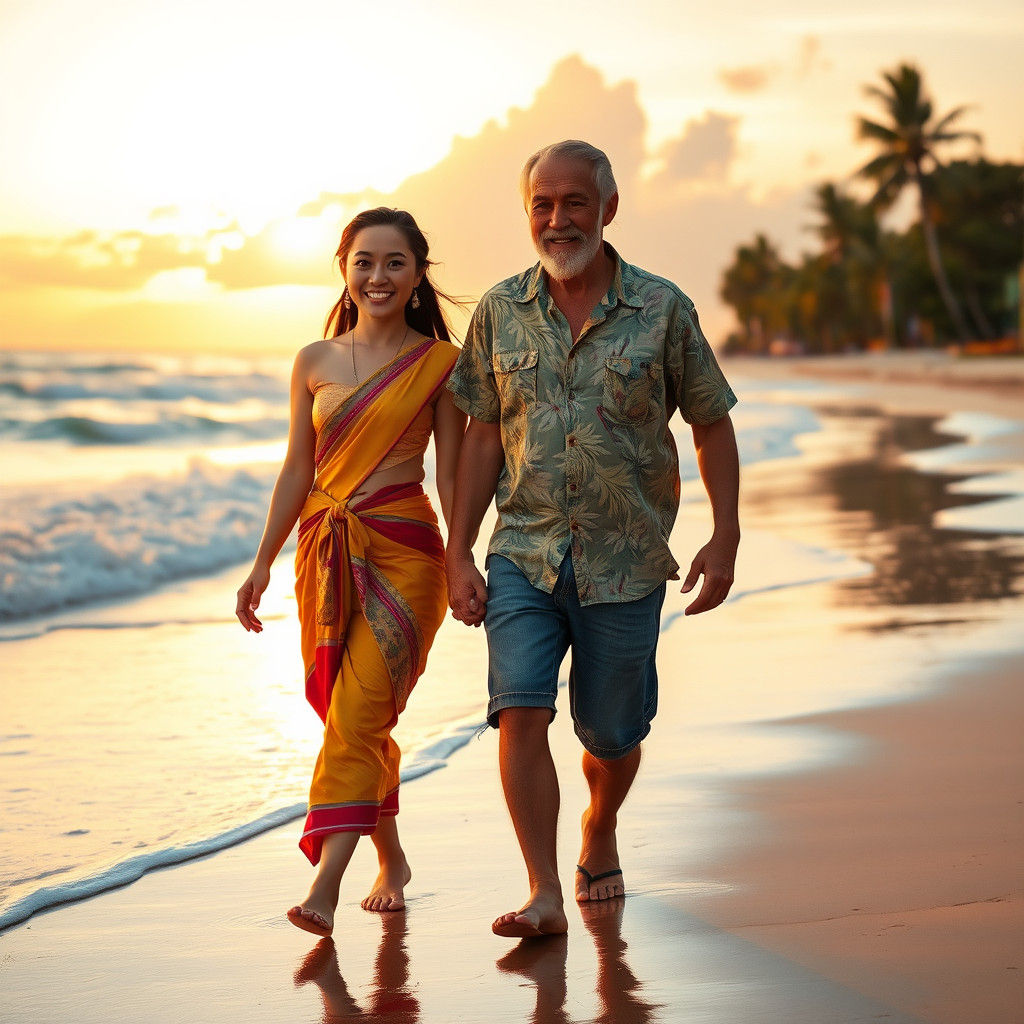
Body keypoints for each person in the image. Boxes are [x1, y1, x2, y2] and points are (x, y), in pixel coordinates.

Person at [444, 140, 740, 939]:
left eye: (575, 201)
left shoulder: (662, 307)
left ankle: (600, 825)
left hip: (627, 559)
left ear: (608, 208)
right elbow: (476, 434)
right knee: (519, 709)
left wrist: (725, 537)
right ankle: (543, 890)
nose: (557, 218)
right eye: (542, 203)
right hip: (523, 553)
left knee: (612, 733)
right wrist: (458, 550)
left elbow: (710, 423)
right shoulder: (499, 310)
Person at [236, 208, 466, 937]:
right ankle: (391, 860)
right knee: (352, 718)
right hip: (325, 556)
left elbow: (455, 477)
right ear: (344, 267)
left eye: (395, 262)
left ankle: (324, 884)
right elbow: (297, 470)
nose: (378, 276)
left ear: (417, 273)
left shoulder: (442, 364)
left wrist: (463, 560)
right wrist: (261, 563)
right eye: (365, 261)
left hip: (410, 555)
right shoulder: (314, 361)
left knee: (359, 712)